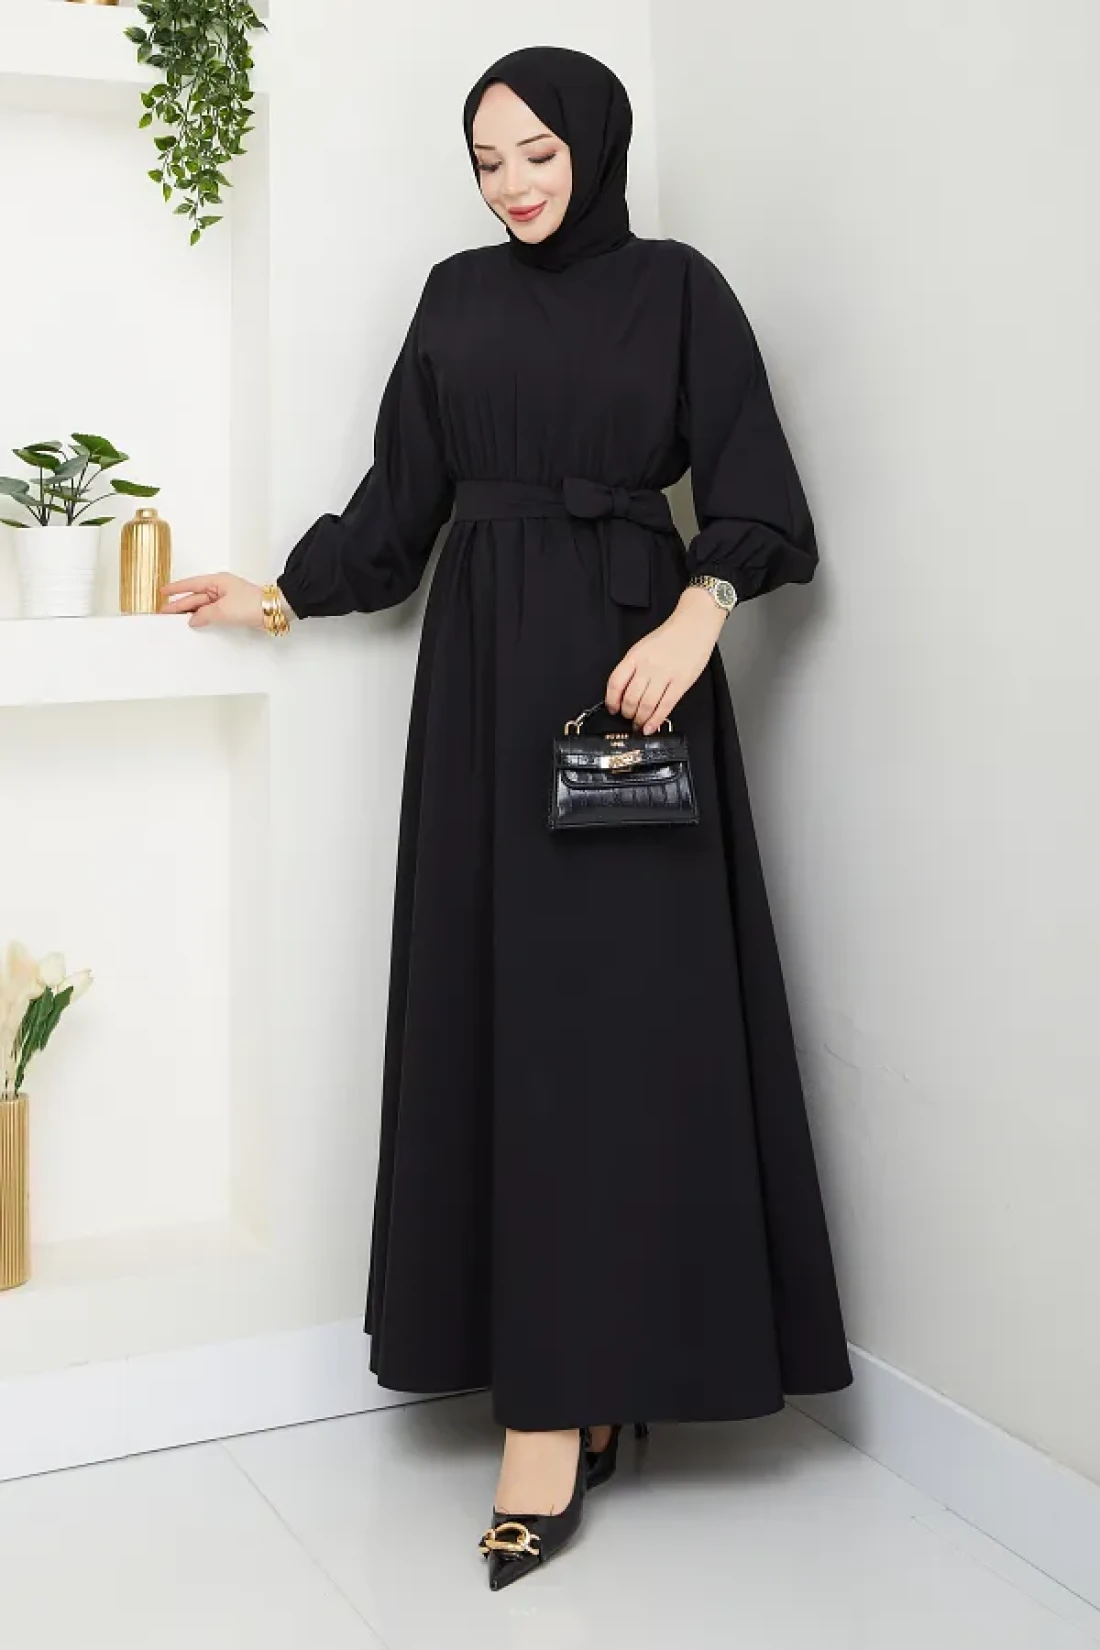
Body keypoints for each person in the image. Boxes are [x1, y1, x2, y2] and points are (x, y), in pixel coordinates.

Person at [160, 44, 853, 1592]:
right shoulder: (456, 300)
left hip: (631, 689)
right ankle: (551, 1403)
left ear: (596, 143)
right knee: (517, 1028)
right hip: (482, 697)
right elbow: (400, 504)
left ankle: (595, 1383)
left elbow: (761, 493)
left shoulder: (681, 290)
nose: (514, 183)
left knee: (629, 1032)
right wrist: (283, 592)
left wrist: (699, 611)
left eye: (539, 151)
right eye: (487, 160)